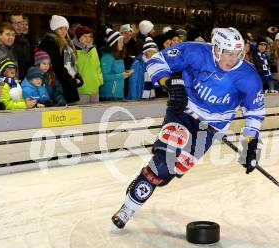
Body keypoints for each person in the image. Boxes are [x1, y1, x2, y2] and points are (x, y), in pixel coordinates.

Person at [111, 27, 265, 229]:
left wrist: (251, 144)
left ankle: (148, 177)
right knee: (162, 164)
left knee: (171, 171)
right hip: (183, 112)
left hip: (210, 128)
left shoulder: (249, 77)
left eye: (237, 54)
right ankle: (128, 208)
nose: (232, 59)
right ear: (216, 48)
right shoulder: (194, 51)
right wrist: (170, 85)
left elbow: (254, 113)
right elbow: (156, 61)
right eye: (228, 53)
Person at [38, 15, 83, 104]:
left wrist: (77, 76)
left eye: (66, 29)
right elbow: (56, 66)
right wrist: (71, 80)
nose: (63, 31)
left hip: (68, 84)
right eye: (60, 28)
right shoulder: (50, 42)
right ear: (55, 29)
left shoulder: (66, 43)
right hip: (59, 86)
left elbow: (72, 65)